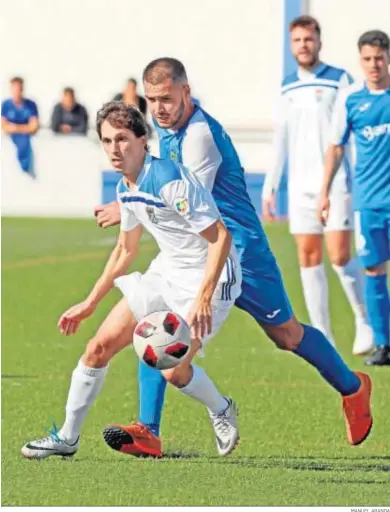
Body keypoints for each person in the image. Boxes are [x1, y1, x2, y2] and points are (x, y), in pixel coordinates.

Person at [95, 58, 373, 458]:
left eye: (167, 99)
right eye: (152, 99)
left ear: (186, 93)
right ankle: (147, 429)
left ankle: (353, 387)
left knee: (287, 335)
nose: (158, 108)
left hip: (241, 251)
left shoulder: (199, 137)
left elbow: (187, 195)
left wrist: (127, 206)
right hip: (201, 257)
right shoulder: (166, 131)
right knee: (160, 321)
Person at [21, 102, 241, 460]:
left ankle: (221, 408)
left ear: (143, 139)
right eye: (107, 140)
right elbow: (126, 249)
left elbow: (220, 237)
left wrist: (203, 298)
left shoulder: (169, 179)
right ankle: (67, 437)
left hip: (211, 276)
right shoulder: (126, 188)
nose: (114, 148)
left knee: (172, 369)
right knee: (97, 347)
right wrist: (90, 302)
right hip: (167, 271)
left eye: (122, 139)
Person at [262, 15, 373, 356]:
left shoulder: (341, 81)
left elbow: (348, 134)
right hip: (300, 186)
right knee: (308, 259)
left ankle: (364, 320)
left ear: (319, 42)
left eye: (308, 39)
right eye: (297, 40)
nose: (303, 46)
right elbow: (280, 138)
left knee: (340, 256)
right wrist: (271, 185)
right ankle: (323, 337)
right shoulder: (287, 86)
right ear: (291, 44)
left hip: (337, 180)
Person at [320, 30, 390, 367]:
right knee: (374, 270)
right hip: (370, 202)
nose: (374, 65)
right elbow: (336, 148)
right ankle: (384, 344)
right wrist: (324, 192)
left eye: (379, 58)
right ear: (360, 60)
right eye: (367, 59)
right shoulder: (350, 99)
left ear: (388, 57)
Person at [1, 77, 39, 172]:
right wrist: (25, 128)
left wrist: (15, 127)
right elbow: (4, 127)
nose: (17, 92)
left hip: (26, 138)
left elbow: (34, 126)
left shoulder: (31, 105)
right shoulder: (6, 105)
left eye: (19, 89)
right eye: (15, 88)